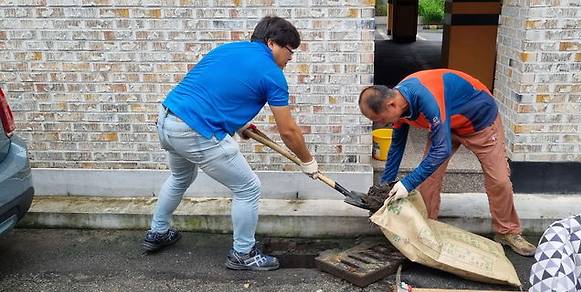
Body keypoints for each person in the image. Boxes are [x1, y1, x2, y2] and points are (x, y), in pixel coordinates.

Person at [143, 16, 319, 271]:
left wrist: (239, 125)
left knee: (180, 177)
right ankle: (243, 253)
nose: (291, 58)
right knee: (248, 188)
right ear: (272, 43)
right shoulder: (272, 74)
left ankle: (158, 232)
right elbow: (289, 132)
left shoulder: (228, 49)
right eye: (289, 50)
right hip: (194, 130)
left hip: (167, 119)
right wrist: (307, 161)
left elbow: (210, 91)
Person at [358, 69, 536, 256]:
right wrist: (384, 188)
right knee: (428, 179)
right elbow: (397, 145)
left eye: (379, 120)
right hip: (445, 125)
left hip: (479, 122)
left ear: (391, 105)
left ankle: (507, 232)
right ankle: (426, 229)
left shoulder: (426, 98)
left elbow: (441, 150)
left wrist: (407, 183)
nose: (380, 124)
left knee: (499, 180)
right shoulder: (398, 104)